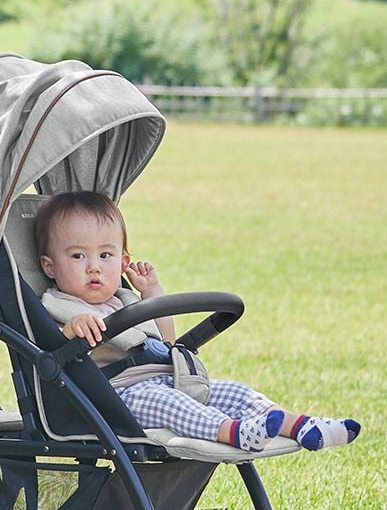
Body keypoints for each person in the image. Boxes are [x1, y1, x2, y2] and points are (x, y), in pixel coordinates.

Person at [35, 191, 361, 452]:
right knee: (170, 404)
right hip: (118, 398)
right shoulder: (59, 305)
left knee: (235, 392)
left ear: (123, 262)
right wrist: (71, 329)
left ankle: (301, 426)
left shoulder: (124, 299)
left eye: (105, 256)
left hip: (170, 379)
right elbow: (52, 346)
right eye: (78, 256)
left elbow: (165, 341)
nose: (94, 266)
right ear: (49, 266)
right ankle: (235, 433)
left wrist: (151, 293)